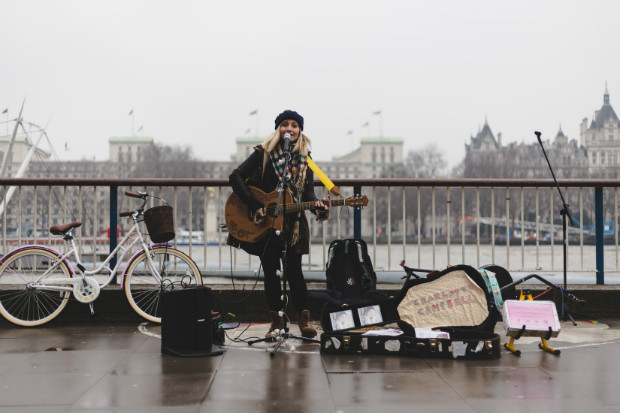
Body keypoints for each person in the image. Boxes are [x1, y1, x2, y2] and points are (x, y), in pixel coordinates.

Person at [228, 110, 329, 339]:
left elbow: (308, 195)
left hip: (293, 225)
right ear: (278, 130)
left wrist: (318, 207)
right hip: (266, 225)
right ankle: (276, 322)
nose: (290, 129)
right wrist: (255, 205)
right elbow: (235, 176)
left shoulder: (306, 159)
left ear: (300, 130)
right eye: (285, 124)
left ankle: (304, 321)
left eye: (294, 125)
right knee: (271, 273)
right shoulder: (263, 154)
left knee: (295, 272)